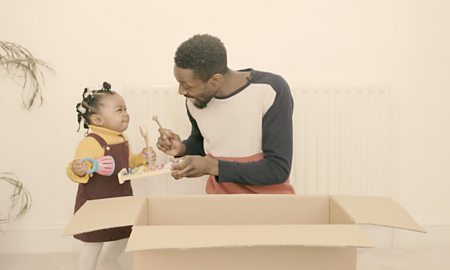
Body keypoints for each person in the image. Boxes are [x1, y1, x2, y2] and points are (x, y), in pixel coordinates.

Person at [156, 34, 295, 194]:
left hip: (268, 201)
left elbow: (277, 169)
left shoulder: (270, 90)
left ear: (215, 80)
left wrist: (211, 166)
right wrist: (182, 148)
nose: (181, 91)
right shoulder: (194, 100)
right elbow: (204, 141)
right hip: (220, 200)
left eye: (187, 85)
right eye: (179, 83)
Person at [66, 82, 156, 270]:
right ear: (98, 120)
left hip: (119, 197)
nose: (126, 114)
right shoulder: (91, 142)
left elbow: (128, 163)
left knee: (123, 233)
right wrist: (80, 168)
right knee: (94, 241)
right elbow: (77, 167)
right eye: (119, 110)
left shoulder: (122, 139)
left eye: (125, 109)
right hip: (96, 202)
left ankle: (109, 261)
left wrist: (142, 158)